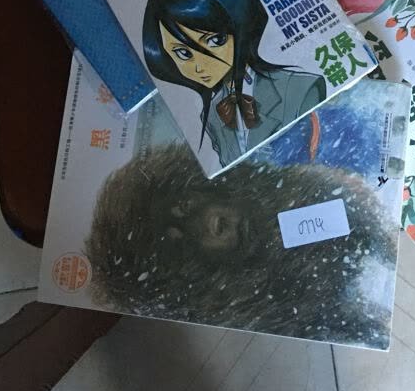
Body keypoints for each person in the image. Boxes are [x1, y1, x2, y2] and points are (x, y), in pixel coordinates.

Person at [85, 143, 396, 346]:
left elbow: (375, 220)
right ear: (184, 280)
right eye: (177, 244)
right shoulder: (274, 324)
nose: (212, 222)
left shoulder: (301, 187)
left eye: (186, 205)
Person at [142, 0, 324, 167]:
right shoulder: (212, 115)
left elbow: (310, 163)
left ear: (242, 26)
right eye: (183, 53)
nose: (200, 66)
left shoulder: (300, 88)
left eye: (215, 41)